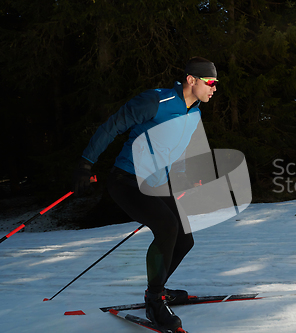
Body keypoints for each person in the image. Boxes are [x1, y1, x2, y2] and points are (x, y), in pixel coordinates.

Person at [72, 57, 218, 333]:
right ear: (191, 80)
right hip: (127, 181)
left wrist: (187, 177)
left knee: (185, 240)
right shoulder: (155, 101)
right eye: (210, 82)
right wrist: (85, 163)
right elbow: (113, 125)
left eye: (215, 84)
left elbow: (177, 148)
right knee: (168, 228)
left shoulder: (194, 112)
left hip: (158, 183)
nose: (213, 89)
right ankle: (154, 301)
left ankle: (158, 289)